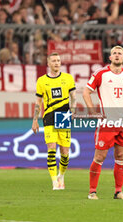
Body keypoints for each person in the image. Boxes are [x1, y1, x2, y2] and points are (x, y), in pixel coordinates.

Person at [83, 45, 123, 200]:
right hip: (107, 123)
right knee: (100, 157)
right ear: (110, 58)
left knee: (121, 156)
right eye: (114, 53)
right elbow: (86, 92)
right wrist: (92, 111)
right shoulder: (101, 73)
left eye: (119, 53)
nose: (116, 55)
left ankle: (118, 191)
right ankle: (92, 191)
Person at [32, 52, 76, 190]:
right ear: (48, 63)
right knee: (51, 149)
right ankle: (54, 182)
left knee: (65, 152)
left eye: (58, 60)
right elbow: (38, 102)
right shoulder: (42, 81)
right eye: (54, 61)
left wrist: (73, 111)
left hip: (64, 116)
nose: (57, 63)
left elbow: (74, 97)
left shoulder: (68, 78)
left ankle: (61, 176)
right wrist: (35, 120)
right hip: (49, 117)